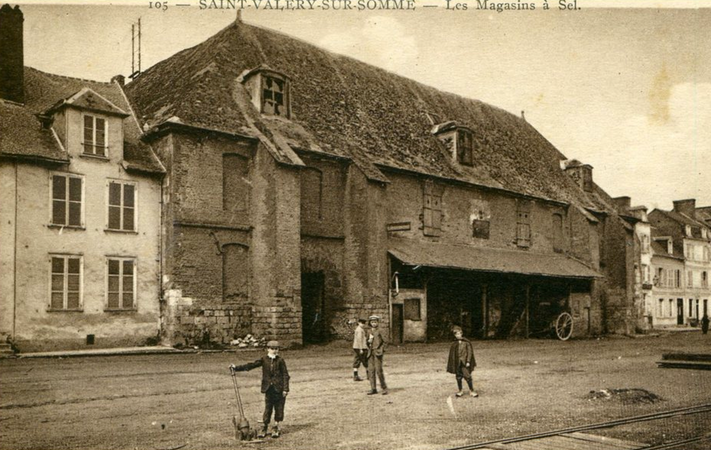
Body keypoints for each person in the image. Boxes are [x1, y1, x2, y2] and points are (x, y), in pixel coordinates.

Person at [230, 340, 290, 438]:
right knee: (268, 408)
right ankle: (264, 427)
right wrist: (236, 368)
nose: (274, 351)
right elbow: (251, 365)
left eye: (276, 349)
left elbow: (285, 375)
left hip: (279, 389)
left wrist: (285, 389)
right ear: (268, 349)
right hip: (268, 389)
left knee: (279, 408)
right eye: (272, 349)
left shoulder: (280, 361)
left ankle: (276, 427)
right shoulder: (264, 359)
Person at [446, 326, 478, 398]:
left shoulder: (466, 342)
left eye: (459, 334)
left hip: (464, 362)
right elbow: (452, 355)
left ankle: (471, 390)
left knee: (468, 376)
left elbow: (470, 353)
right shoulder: (454, 344)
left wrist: (468, 361)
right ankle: (460, 390)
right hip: (457, 363)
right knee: (458, 377)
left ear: (462, 334)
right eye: (456, 334)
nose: (458, 335)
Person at [366, 315, 388, 395]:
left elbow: (385, 342)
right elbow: (366, 342)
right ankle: (373, 388)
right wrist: (369, 341)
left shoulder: (380, 331)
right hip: (370, 353)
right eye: (372, 322)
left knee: (379, 371)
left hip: (378, 353)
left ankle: (384, 388)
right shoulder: (369, 331)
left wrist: (381, 350)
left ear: (378, 322)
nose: (373, 324)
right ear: (370, 323)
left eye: (375, 322)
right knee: (371, 371)